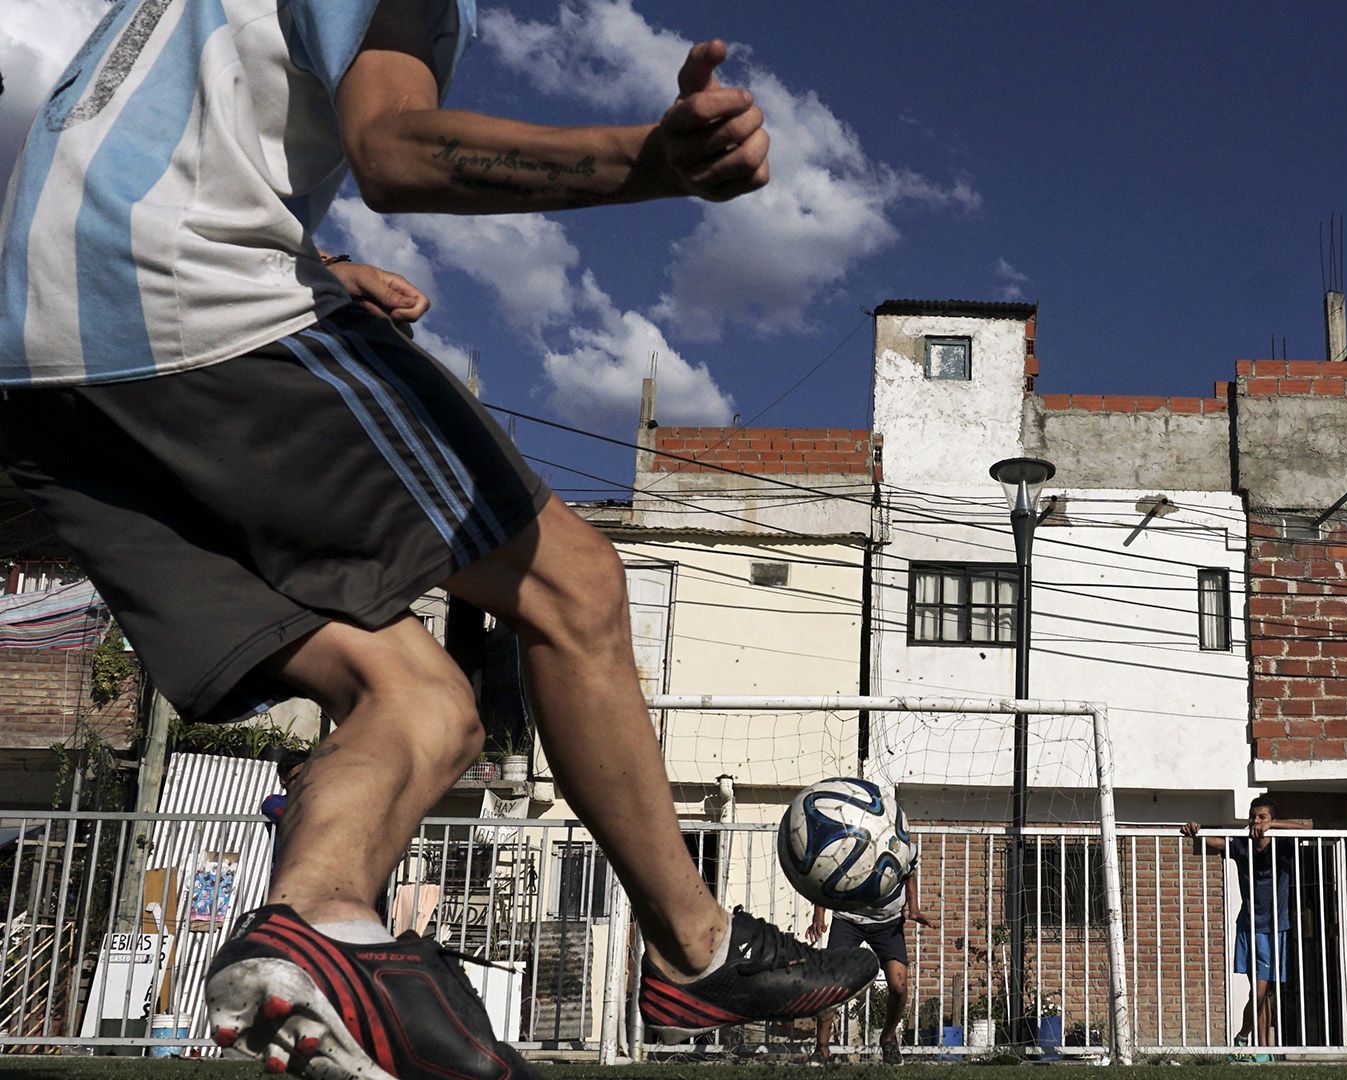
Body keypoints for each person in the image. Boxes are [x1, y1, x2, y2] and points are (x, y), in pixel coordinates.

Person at [0, 2, 875, 1077]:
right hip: (181, 303)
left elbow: (117, 154)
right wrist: (646, 160)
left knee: (419, 699)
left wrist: (314, 256)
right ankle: (693, 949)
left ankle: (313, 928)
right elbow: (395, 153)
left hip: (41, 378)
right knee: (573, 584)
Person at [1181, 794, 1306, 1050]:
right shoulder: (1241, 844)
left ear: (1272, 819)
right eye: (1253, 817)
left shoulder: (1283, 845)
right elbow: (1211, 844)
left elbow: (1309, 829)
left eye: (1263, 817)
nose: (1257, 821)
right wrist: (1196, 831)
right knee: (1258, 992)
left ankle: (1241, 1035)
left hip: (1274, 927)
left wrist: (1274, 827)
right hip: (1248, 926)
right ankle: (1264, 1050)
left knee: (1261, 992)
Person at [805, 871, 934, 1065]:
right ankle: (822, 1049)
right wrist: (819, 915)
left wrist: (913, 907)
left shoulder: (901, 843)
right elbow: (825, 872)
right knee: (829, 982)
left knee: (899, 986)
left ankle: (888, 1039)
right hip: (847, 920)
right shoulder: (848, 842)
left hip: (888, 923)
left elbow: (910, 873)